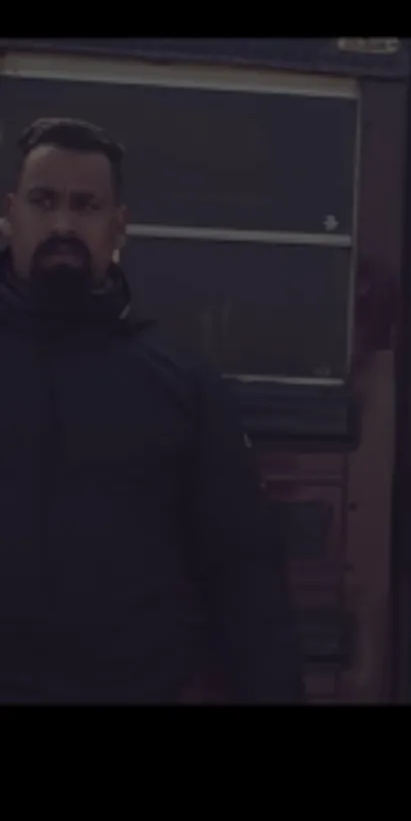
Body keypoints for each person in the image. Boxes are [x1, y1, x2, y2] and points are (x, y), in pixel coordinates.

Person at [0, 118, 306, 703]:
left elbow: (245, 579)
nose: (63, 224)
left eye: (86, 205)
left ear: (119, 225)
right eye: (43, 201)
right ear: (11, 214)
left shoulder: (183, 387)